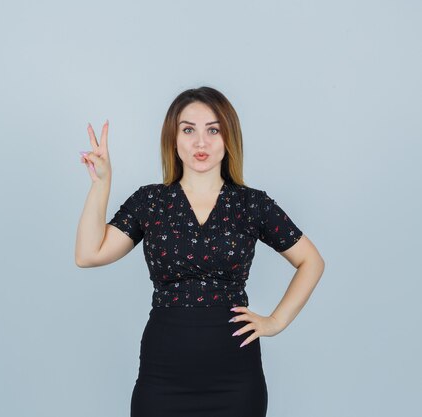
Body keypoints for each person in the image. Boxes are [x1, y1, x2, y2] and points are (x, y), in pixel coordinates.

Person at [75, 86, 325, 417]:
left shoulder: (251, 204)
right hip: (162, 374)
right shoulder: (151, 201)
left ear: (228, 138)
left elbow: (311, 261)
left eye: (213, 130)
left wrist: (275, 321)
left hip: (235, 377)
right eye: (188, 130)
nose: (200, 143)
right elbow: (89, 253)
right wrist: (101, 183)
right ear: (173, 139)